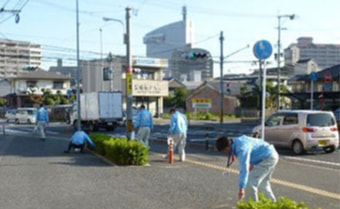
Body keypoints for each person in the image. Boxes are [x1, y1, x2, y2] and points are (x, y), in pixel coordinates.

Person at [216, 135, 279, 202]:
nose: (225, 152)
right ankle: (273, 204)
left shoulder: (241, 148)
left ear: (227, 147)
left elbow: (244, 168)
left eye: (225, 150)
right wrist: (252, 164)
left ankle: (253, 206)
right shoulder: (238, 141)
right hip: (270, 154)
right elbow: (253, 148)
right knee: (263, 184)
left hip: (267, 158)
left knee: (250, 183)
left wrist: (241, 188)